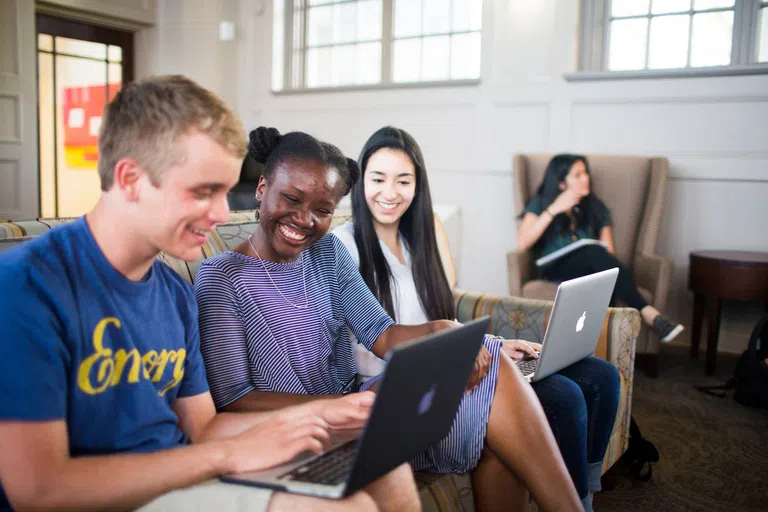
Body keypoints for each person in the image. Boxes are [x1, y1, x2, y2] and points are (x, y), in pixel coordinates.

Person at [0, 75, 400, 512]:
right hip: (112, 494)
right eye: (203, 191)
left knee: (387, 469)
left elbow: (205, 428)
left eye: (225, 192)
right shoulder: (27, 285)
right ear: (131, 178)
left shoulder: (173, 293)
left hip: (181, 479)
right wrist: (225, 455)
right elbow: (38, 490)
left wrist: (321, 416)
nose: (224, 213)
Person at [195, 126, 583, 512]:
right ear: (262, 188)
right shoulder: (221, 277)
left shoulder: (327, 252)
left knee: (494, 397)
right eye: (292, 199)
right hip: (302, 429)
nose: (304, 219)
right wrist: (342, 408)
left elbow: (381, 333)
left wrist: (440, 329)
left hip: (361, 412)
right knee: (495, 422)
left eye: (323, 210)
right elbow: (235, 400)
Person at [332, 126, 620, 511]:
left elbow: (441, 319)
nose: (390, 193)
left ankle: (587, 491)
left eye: (403, 180)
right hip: (390, 381)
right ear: (360, 182)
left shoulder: (420, 238)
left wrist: (495, 344)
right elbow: (386, 338)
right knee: (563, 396)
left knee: (601, 376)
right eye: (378, 179)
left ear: (418, 185)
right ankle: (576, 503)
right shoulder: (343, 246)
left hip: (441, 364)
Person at [517, 153, 683, 343]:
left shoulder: (596, 207)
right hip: (555, 266)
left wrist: (597, 254)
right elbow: (523, 243)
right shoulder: (540, 203)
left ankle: (594, 344)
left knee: (602, 271)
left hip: (589, 265)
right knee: (594, 256)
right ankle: (648, 313)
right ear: (561, 183)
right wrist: (555, 208)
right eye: (577, 175)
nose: (585, 178)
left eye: (585, 173)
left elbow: (608, 250)